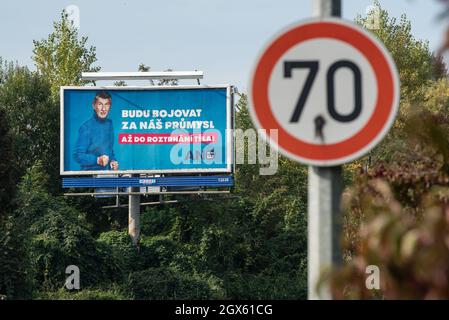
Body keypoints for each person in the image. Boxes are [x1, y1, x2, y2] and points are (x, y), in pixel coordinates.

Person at [73, 91, 119, 171]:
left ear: (110, 106)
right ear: (94, 106)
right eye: (100, 104)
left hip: (108, 175)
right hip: (89, 177)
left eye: (107, 104)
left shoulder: (109, 124)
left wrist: (113, 160)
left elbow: (109, 149)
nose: (103, 109)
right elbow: (77, 155)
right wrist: (97, 160)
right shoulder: (86, 127)